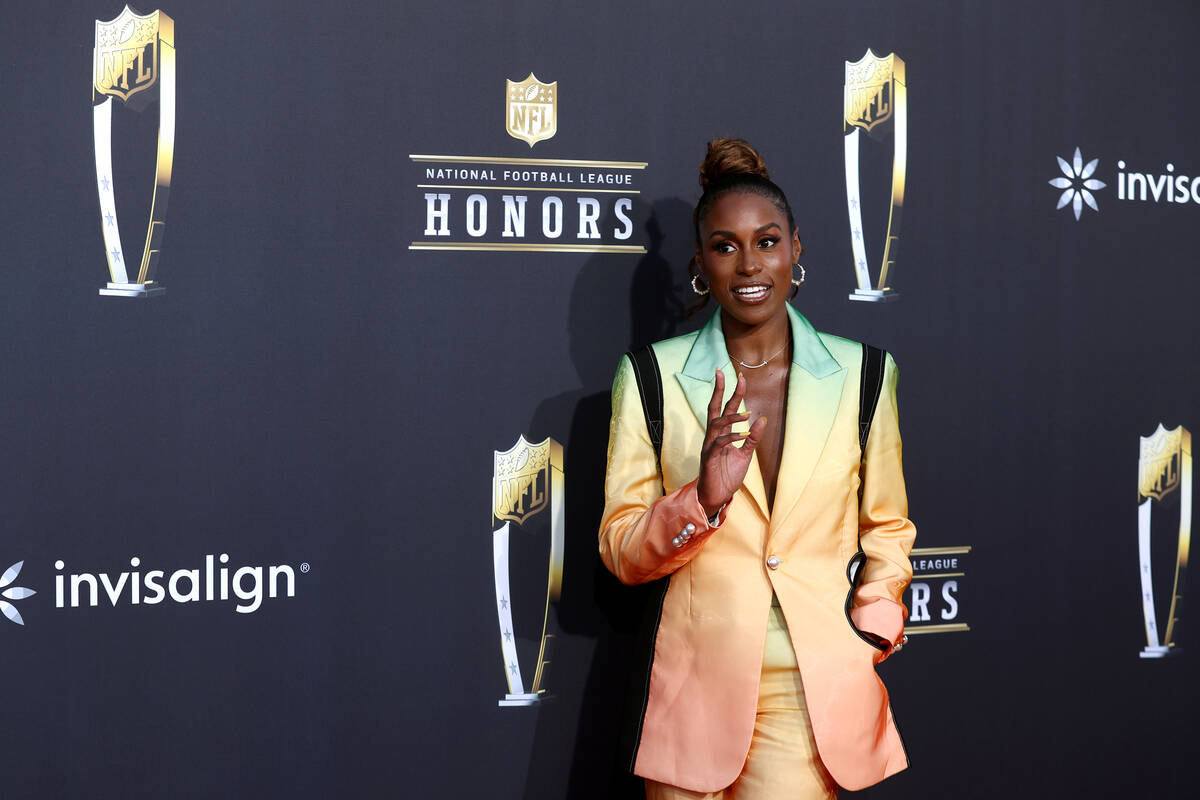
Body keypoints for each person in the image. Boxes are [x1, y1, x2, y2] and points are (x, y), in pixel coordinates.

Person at [598, 138, 915, 799]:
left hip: (811, 691)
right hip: (691, 694)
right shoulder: (652, 378)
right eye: (725, 246)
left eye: (767, 242)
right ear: (700, 264)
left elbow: (888, 527)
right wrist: (702, 501)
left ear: (796, 248)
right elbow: (623, 551)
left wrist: (874, 627)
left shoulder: (863, 376)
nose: (749, 264)